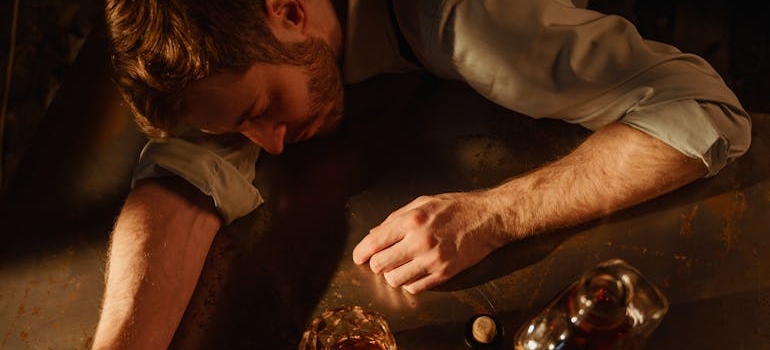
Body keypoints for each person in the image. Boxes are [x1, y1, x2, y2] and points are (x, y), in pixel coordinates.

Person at [92, 0, 751, 348]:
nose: (268, 145)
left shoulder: (475, 24)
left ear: (288, 9)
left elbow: (706, 112)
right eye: (237, 128)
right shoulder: (249, 40)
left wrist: (495, 215)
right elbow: (183, 175)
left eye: (264, 110)